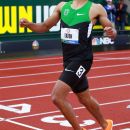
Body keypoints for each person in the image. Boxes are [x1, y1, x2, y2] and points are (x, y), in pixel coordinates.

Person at [20, 0, 117, 129]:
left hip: (83, 60)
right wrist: (29, 24)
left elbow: (112, 31)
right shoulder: (62, 6)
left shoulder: (95, 8)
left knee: (57, 96)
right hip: (68, 60)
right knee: (85, 98)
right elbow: (44, 26)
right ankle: (106, 124)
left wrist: (112, 32)